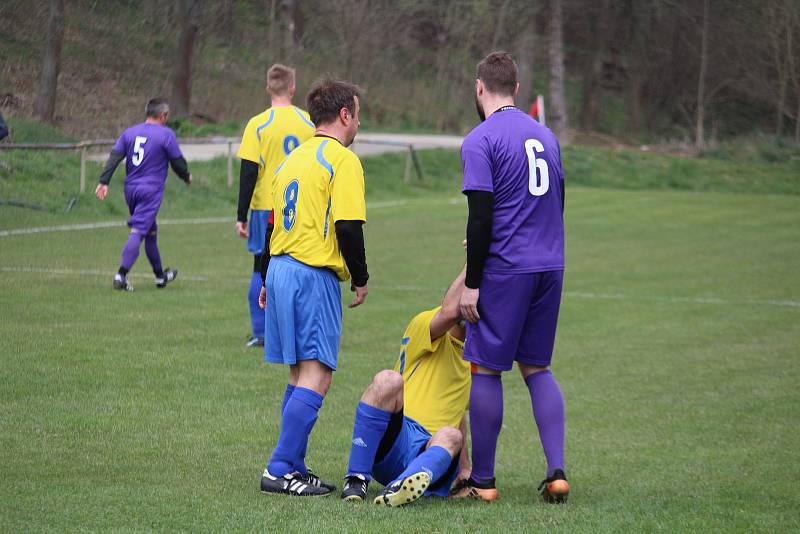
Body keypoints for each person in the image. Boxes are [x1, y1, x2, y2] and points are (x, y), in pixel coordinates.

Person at [453, 52, 569, 503]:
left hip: (506, 269)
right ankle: (556, 470)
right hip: (550, 265)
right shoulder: (548, 137)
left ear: (479, 87)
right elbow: (554, 205)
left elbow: (479, 218)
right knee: (537, 367)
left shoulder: (480, 139)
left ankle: (483, 480)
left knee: (485, 367)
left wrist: (473, 281)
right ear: (517, 90)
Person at [256, 78, 369, 497]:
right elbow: (347, 226)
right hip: (311, 273)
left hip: (282, 267)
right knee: (318, 374)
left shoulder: (291, 160)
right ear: (344, 115)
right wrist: (360, 276)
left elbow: (272, 223)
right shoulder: (341, 160)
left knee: (299, 372)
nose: (359, 123)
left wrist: (266, 276)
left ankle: (294, 465)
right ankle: (280, 467)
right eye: (357, 115)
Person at [340, 265, 471, 507]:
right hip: (398, 437)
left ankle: (399, 487)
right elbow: (450, 313)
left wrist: (465, 470)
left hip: (431, 453)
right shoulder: (424, 323)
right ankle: (356, 477)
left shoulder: (472, 354)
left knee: (453, 434)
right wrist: (475, 256)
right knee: (387, 380)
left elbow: (457, 411)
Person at [236, 64, 315, 348]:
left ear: (268, 88)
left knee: (262, 267)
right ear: (293, 88)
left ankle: (261, 332)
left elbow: (248, 173)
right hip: (302, 207)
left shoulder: (257, 124)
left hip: (265, 207)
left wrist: (240, 215)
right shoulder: (309, 123)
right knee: (301, 267)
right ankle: (300, 331)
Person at [95, 98, 191, 291]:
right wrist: (186, 176)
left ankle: (159, 276)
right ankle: (121, 275)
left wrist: (104, 181)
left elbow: (115, 157)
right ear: (163, 116)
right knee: (139, 230)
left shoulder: (129, 132)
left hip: (130, 190)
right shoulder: (166, 134)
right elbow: (177, 161)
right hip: (150, 190)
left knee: (150, 231)